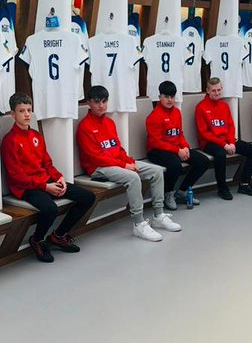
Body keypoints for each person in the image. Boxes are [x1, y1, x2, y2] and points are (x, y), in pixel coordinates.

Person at [76, 85, 180, 241]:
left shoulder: (109, 122)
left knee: (157, 171)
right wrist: (124, 166)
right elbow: (95, 157)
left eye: (104, 101)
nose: (101, 105)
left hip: (116, 164)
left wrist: (129, 161)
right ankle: (139, 224)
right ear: (89, 103)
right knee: (133, 177)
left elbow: (118, 149)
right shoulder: (84, 126)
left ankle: (158, 215)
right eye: (97, 102)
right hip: (98, 168)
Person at [1, 92, 96, 262]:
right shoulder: (10, 141)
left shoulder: (36, 136)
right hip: (26, 188)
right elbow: (16, 177)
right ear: (12, 114)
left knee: (87, 197)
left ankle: (58, 235)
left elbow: (47, 163)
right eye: (21, 111)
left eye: (29, 110)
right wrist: (45, 187)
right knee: (50, 209)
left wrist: (58, 178)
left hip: (46, 181)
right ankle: (37, 240)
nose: (27, 114)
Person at [145, 80, 208, 210]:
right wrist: (177, 150)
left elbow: (180, 134)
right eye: (166, 97)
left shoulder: (177, 112)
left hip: (175, 149)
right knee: (175, 165)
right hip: (157, 151)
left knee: (203, 161)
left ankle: (182, 192)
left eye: (172, 97)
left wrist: (185, 147)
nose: (169, 100)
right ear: (159, 97)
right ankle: (168, 194)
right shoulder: (154, 116)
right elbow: (155, 142)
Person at [195, 76, 252, 200]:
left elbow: (230, 126)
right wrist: (224, 145)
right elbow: (204, 133)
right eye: (214, 90)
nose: (217, 93)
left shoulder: (224, 106)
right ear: (207, 91)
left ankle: (244, 183)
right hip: (209, 142)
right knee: (220, 155)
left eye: (219, 90)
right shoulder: (201, 107)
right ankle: (222, 188)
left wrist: (231, 142)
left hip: (227, 140)